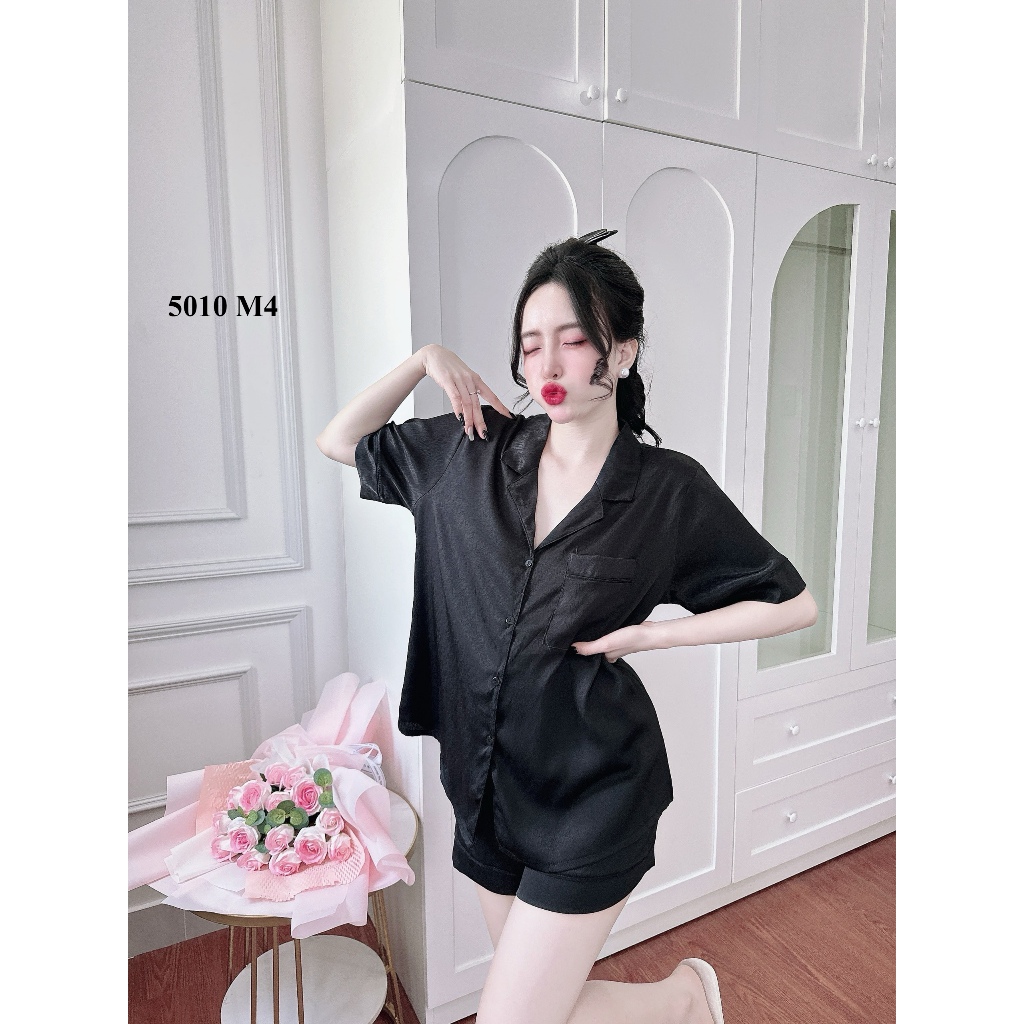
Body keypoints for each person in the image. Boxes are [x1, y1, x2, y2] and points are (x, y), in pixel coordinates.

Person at [316, 230, 818, 1024]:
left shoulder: (666, 491)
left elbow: (792, 603)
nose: (546, 364)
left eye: (574, 340)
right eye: (530, 344)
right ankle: (683, 1002)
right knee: (543, 1010)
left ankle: (686, 1000)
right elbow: (338, 440)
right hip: (483, 786)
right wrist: (424, 360)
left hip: (592, 791)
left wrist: (650, 637)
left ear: (622, 351)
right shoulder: (466, 452)